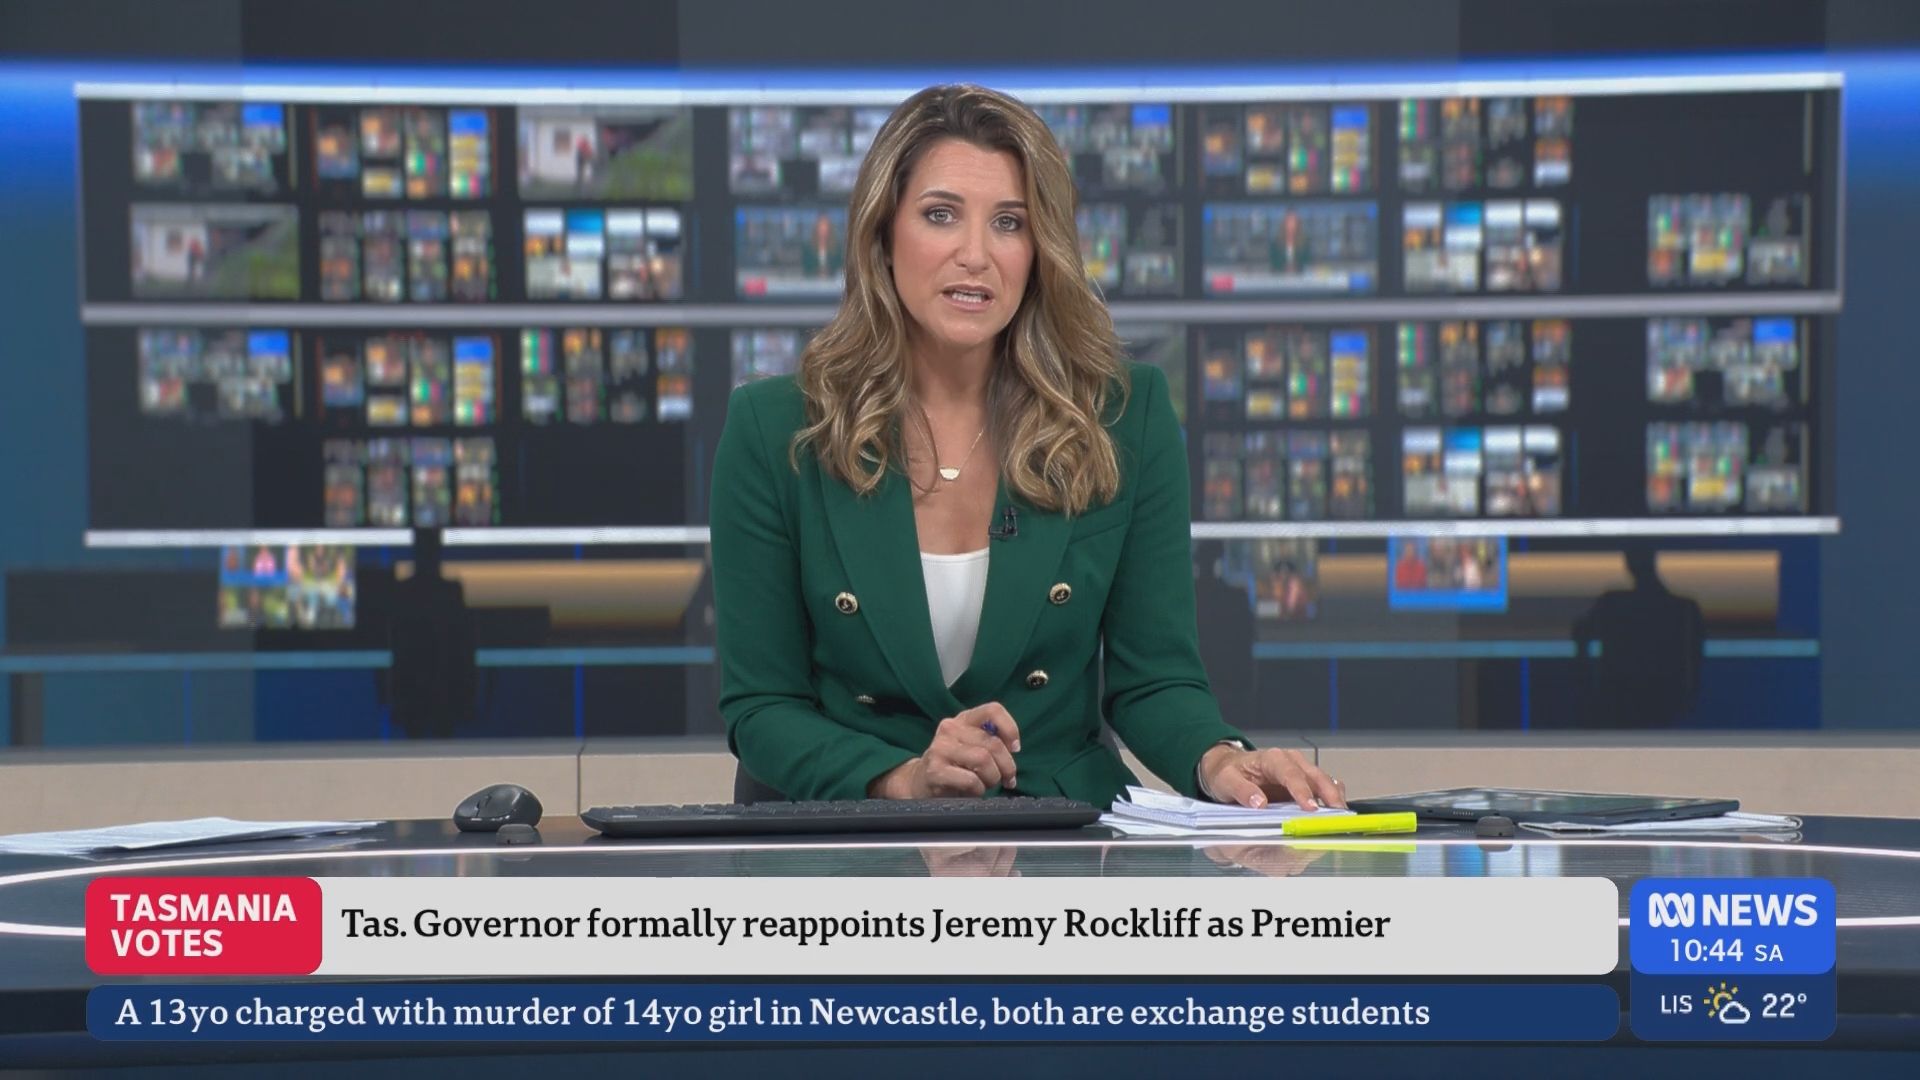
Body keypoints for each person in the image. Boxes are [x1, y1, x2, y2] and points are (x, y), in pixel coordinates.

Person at [709, 84, 1342, 811]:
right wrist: (905, 779)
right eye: (941, 215)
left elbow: (1155, 681)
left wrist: (1220, 760)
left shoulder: (1123, 418)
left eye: (1009, 223)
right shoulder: (775, 429)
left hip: (1054, 826)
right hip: (850, 833)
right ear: (882, 235)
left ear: (1041, 250)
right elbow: (763, 707)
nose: (975, 255)